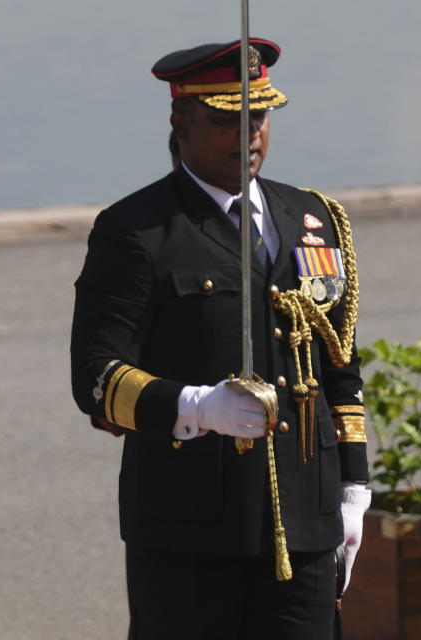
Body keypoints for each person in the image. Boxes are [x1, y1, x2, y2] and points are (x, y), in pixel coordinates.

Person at [70, 39, 371, 639]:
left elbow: (341, 364)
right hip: (188, 532)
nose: (248, 134)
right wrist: (196, 407)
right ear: (181, 123)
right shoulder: (137, 231)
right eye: (225, 120)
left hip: (305, 524)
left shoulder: (313, 220)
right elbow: (97, 378)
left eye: (257, 117)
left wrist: (354, 485)